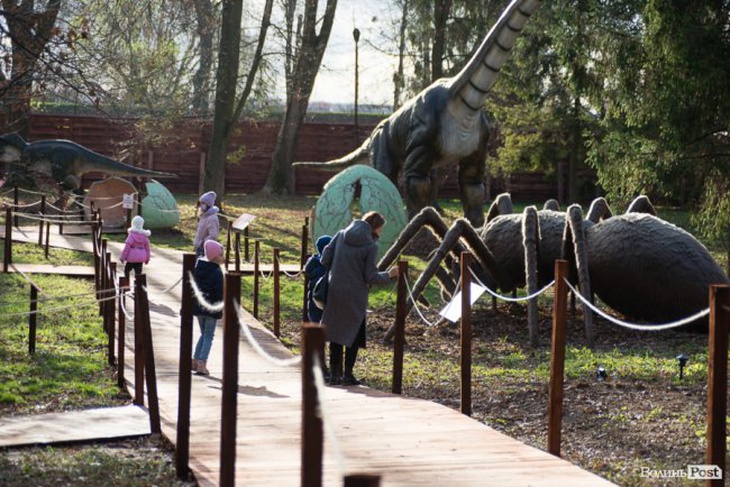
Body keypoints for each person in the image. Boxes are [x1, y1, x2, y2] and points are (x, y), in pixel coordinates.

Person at [320, 211, 398, 386]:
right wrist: (390, 274)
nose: (380, 233)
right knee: (353, 334)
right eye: (380, 229)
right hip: (355, 295)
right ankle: (348, 375)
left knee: (335, 333)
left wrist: (338, 268)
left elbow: (325, 258)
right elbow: (370, 276)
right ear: (375, 227)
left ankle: (334, 375)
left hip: (335, 291)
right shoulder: (371, 246)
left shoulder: (341, 235)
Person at [192, 240, 225, 376]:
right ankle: (202, 363)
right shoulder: (216, 272)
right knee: (208, 336)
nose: (223, 258)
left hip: (199, 306)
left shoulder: (198, 268)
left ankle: (195, 360)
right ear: (214, 256)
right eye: (221, 255)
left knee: (204, 334)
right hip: (211, 307)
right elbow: (219, 292)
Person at [304, 235, 332, 323]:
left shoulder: (312, 263)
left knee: (315, 321)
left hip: (314, 300)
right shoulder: (329, 264)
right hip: (325, 300)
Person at [194, 190, 220, 258]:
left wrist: (203, 243)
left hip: (205, 249)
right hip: (199, 247)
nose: (201, 205)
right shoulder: (203, 217)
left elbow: (213, 235)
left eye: (203, 203)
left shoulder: (212, 218)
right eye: (200, 203)